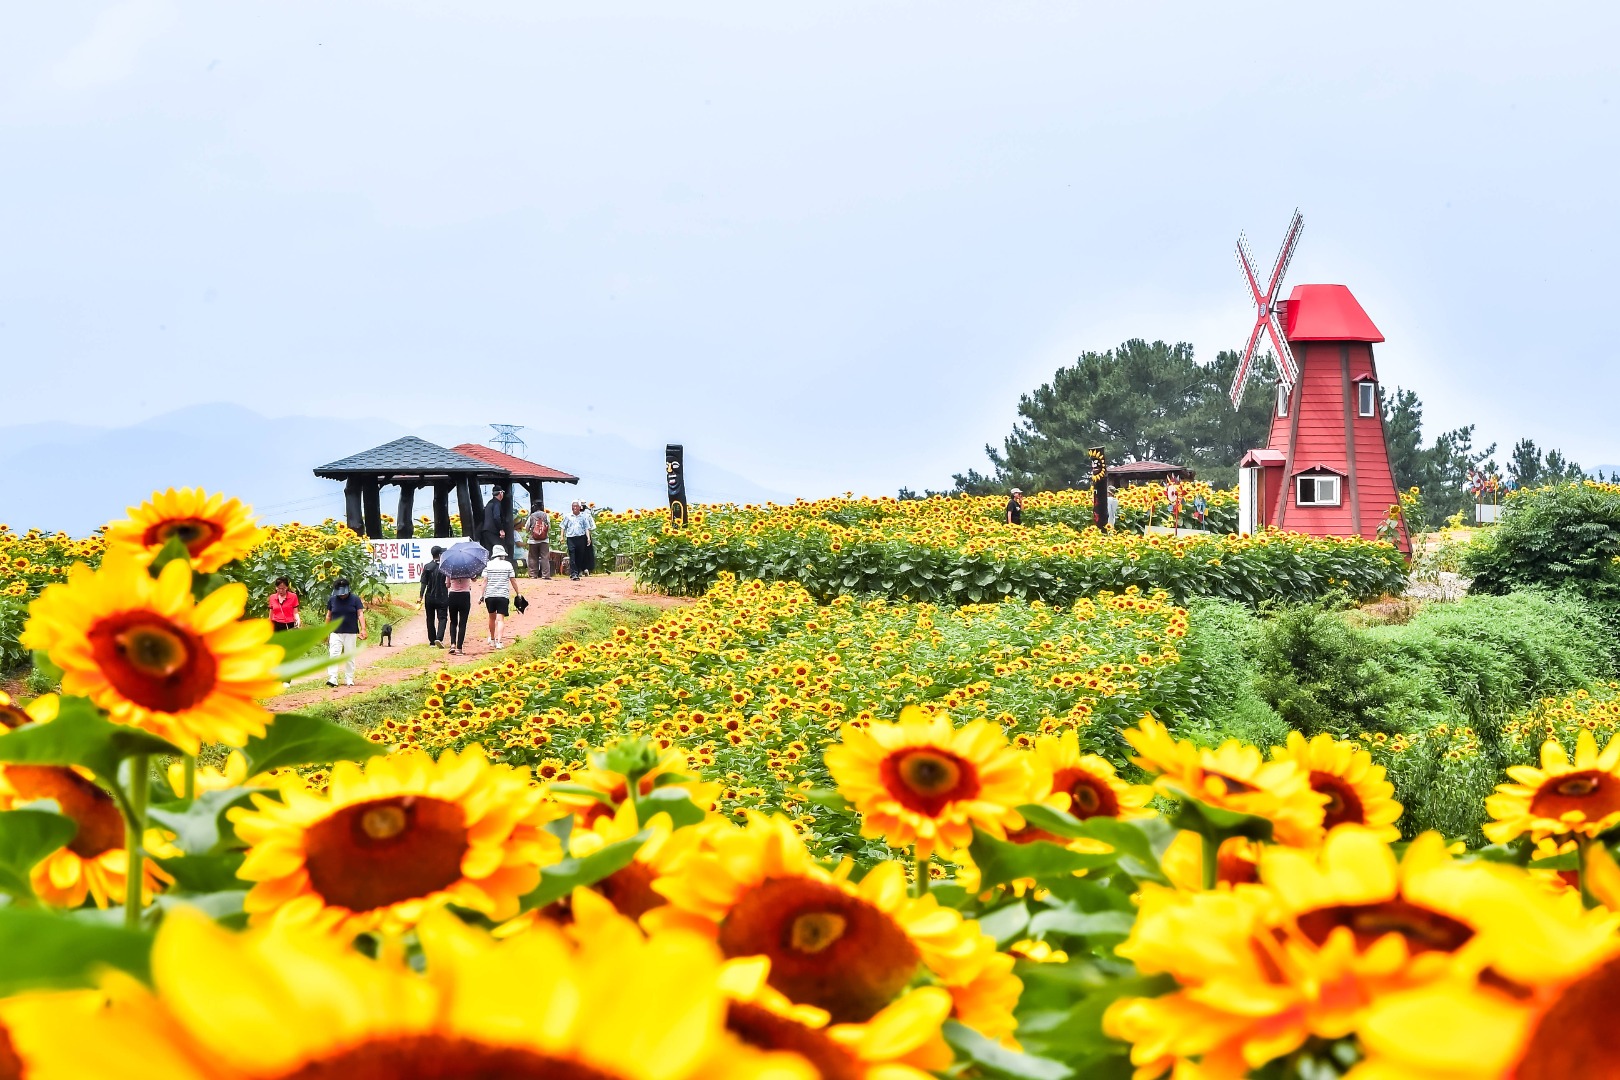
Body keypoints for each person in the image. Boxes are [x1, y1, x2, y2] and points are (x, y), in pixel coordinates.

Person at [479, 544, 523, 649]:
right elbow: (513, 580)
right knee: (500, 619)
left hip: (490, 595)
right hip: (503, 595)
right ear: (502, 555)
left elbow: (484, 581)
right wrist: (518, 593)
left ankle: (492, 639)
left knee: (491, 618)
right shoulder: (508, 565)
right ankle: (499, 642)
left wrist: (481, 595)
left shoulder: (488, 565)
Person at [325, 577, 366, 688]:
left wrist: (363, 629)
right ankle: (332, 678)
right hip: (335, 632)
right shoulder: (332, 600)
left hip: (350, 632)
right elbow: (329, 616)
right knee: (334, 654)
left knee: (349, 656)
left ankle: (349, 678)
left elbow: (360, 614)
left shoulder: (355, 599)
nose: (342, 596)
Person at [418, 546, 450, 647]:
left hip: (429, 597)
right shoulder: (445, 566)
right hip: (442, 596)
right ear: (440, 555)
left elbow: (424, 583)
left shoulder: (427, 566)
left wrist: (420, 596)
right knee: (443, 618)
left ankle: (432, 641)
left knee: (430, 618)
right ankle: (439, 638)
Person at [446, 562, 475, 655]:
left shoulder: (450, 568)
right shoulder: (468, 567)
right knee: (463, 623)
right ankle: (459, 648)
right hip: (465, 595)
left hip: (453, 595)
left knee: (453, 621)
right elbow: (474, 579)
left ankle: (453, 644)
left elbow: (447, 585)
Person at [563, 502, 592, 581]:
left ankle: (577, 571)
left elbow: (586, 528)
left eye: (576, 506)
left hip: (581, 538)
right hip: (571, 538)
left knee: (579, 556)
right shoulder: (568, 516)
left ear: (580, 508)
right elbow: (563, 526)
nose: (574, 508)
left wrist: (588, 538)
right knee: (572, 555)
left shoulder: (583, 517)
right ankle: (574, 574)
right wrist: (561, 537)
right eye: (573, 506)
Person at [481, 488, 511, 553]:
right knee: (500, 550)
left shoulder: (489, 503)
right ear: (500, 493)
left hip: (486, 531)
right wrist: (501, 529)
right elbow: (496, 517)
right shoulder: (497, 503)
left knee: (489, 552)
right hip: (493, 531)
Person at [525, 508, 552, 580]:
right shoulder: (546, 515)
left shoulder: (531, 516)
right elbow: (549, 527)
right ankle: (545, 575)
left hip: (533, 540)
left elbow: (527, 528)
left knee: (533, 557)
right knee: (545, 557)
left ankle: (533, 575)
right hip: (544, 540)